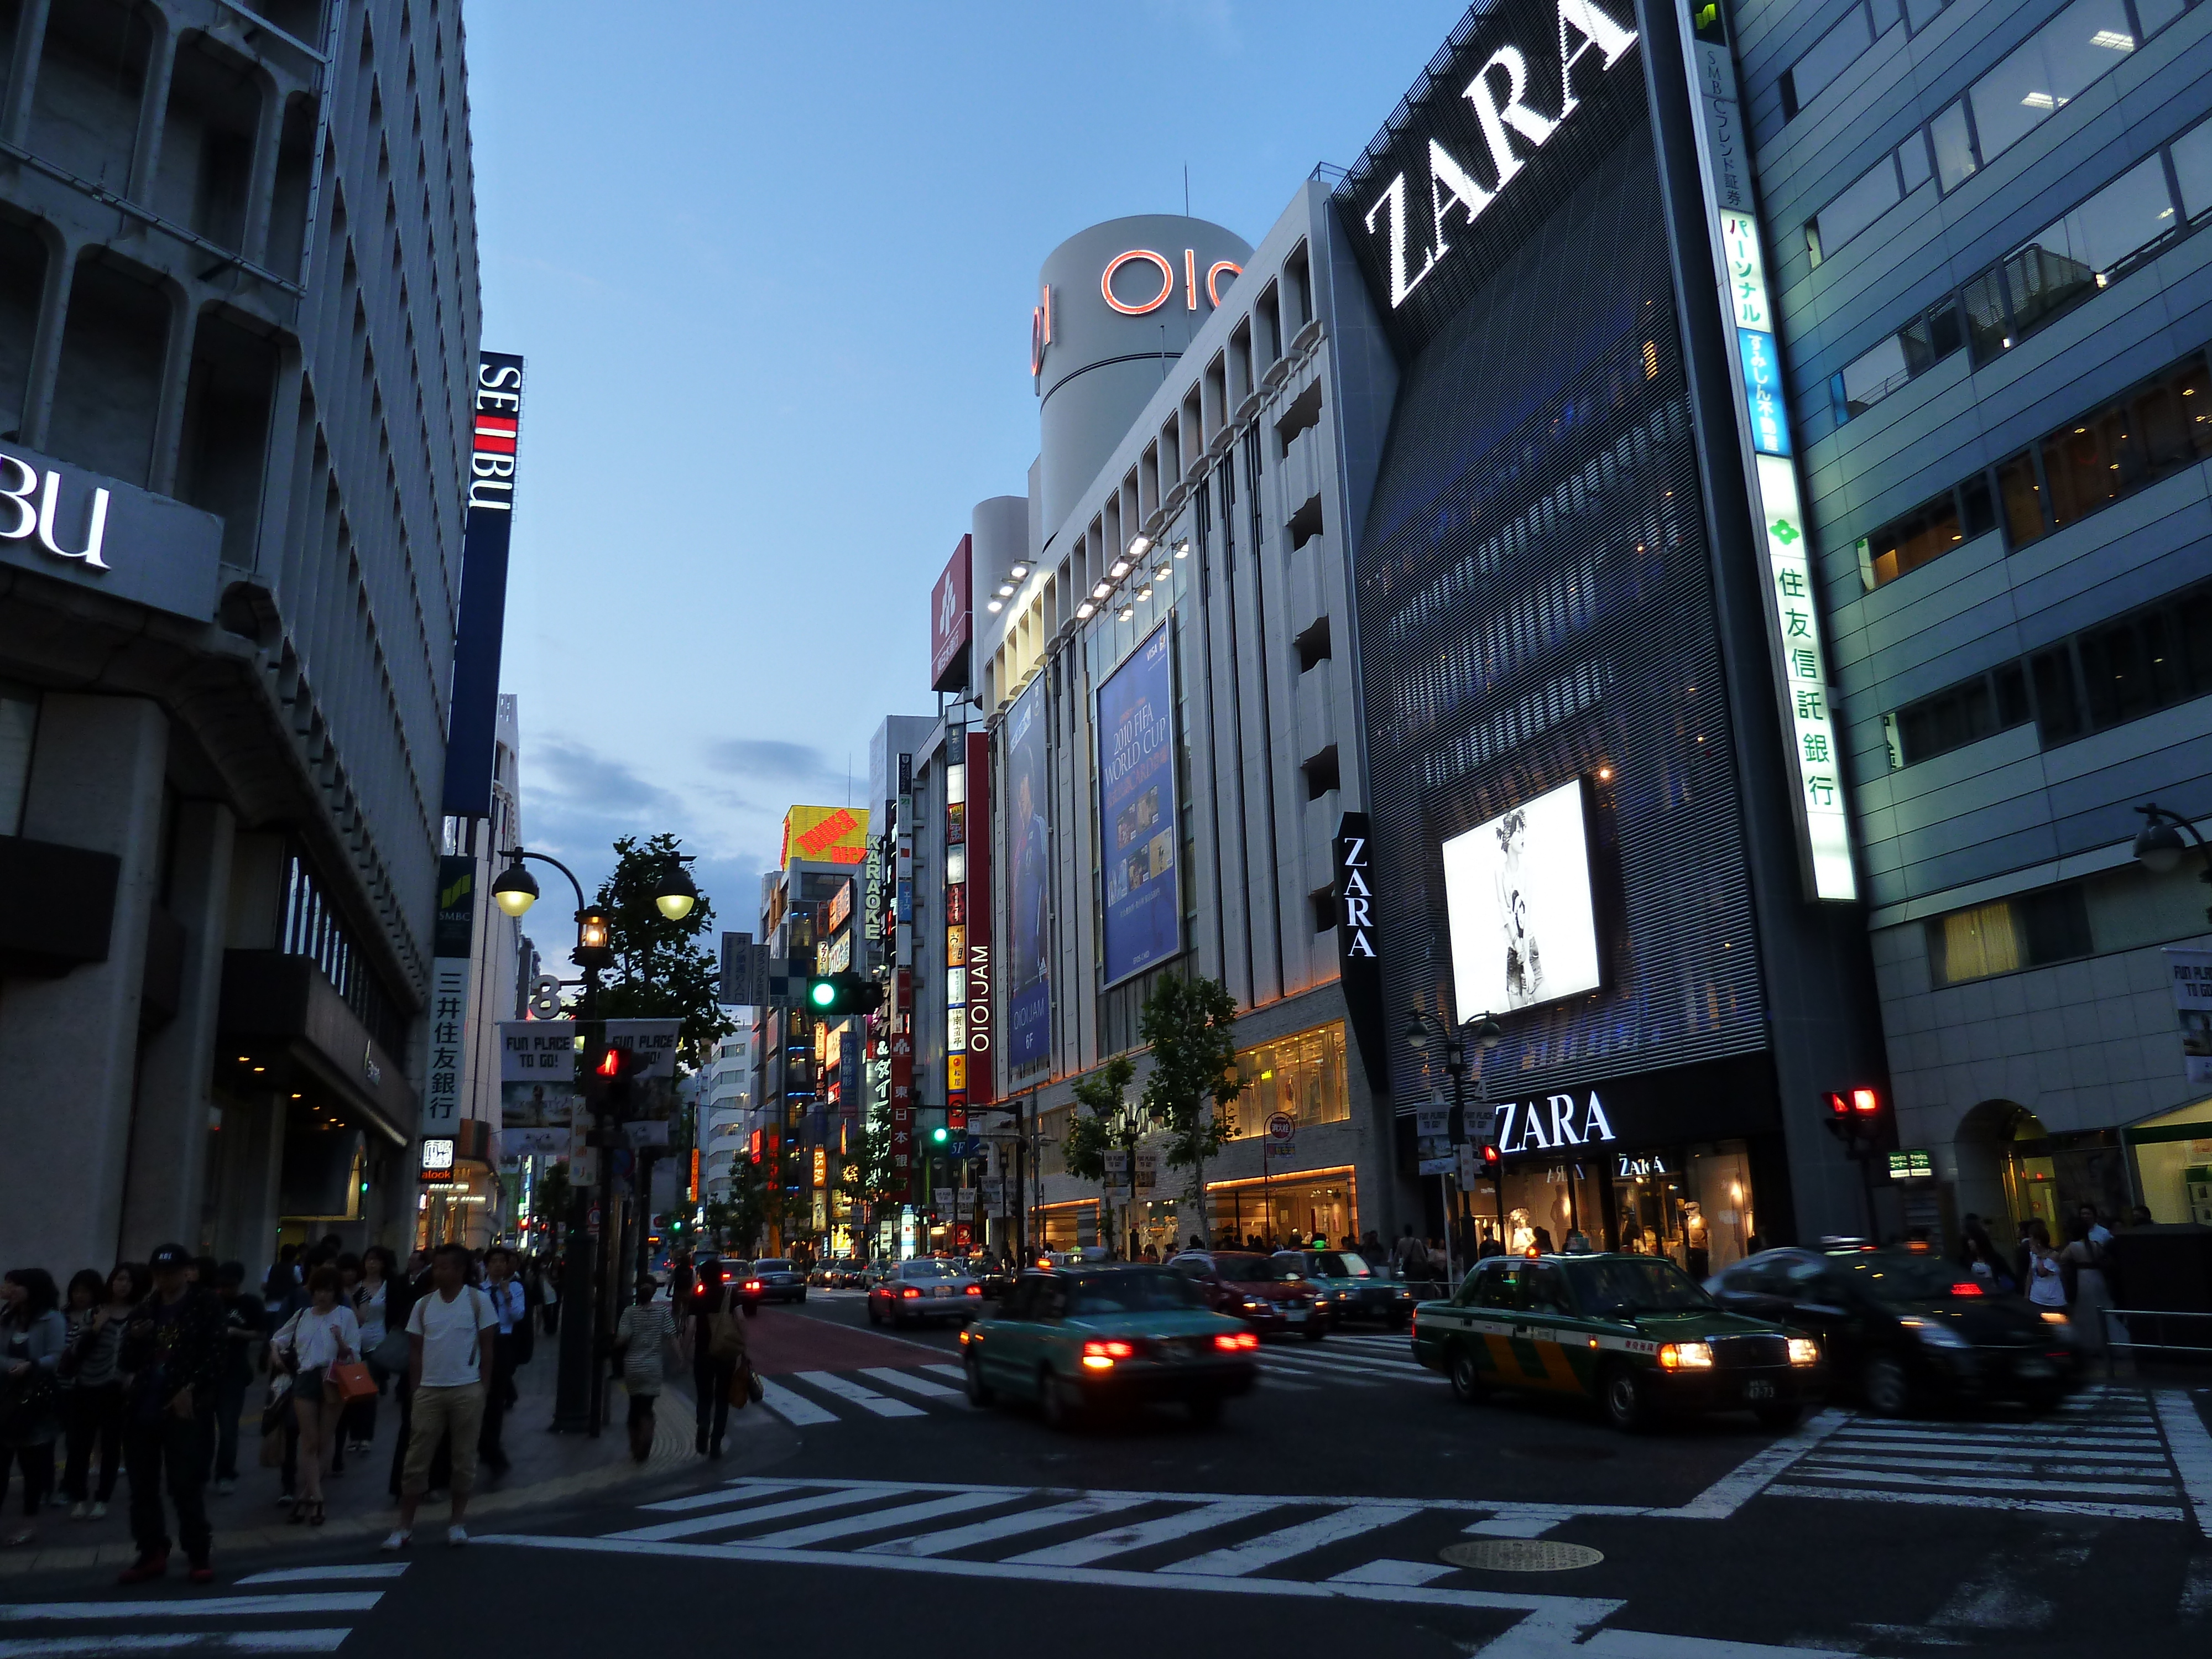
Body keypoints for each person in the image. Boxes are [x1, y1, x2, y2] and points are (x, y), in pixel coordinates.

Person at [116, 1245, 223, 1584]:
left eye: (171, 1272)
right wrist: (134, 1340)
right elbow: (127, 1361)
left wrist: (191, 1387)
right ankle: (151, 1551)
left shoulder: (205, 1303)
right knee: (142, 1486)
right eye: (159, 1273)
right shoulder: (146, 1308)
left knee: (185, 1483)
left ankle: (197, 1553)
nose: (164, 1278)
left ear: (186, 1271)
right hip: (144, 1407)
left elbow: (217, 1353)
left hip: (186, 1408)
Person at [384, 1243, 496, 1551]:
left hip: (466, 1387)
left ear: (461, 1270)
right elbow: (416, 1350)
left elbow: (488, 1347)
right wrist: (416, 1388)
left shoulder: (478, 1302)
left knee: (463, 1459)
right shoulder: (423, 1306)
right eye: (437, 1266)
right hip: (430, 1390)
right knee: (416, 1460)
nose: (440, 1271)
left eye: (446, 1266)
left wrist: (482, 1387)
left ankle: (457, 1522)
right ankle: (404, 1525)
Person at [269, 1266, 358, 1527]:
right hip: (306, 1377)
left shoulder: (346, 1316)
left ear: (336, 1292)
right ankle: (316, 1497)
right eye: (318, 1290)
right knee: (309, 1441)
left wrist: (341, 1342)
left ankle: (305, 1496)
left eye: (328, 1290)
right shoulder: (303, 1315)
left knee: (324, 1438)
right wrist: (276, 1354)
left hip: (334, 1377)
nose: (322, 1296)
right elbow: (279, 1338)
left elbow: (354, 1355)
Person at [1, 1268, 66, 1547]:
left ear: (33, 1289)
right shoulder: (7, 1317)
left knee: (32, 1466)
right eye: (8, 1284)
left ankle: (29, 1523)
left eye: (16, 1285)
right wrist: (9, 1367)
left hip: (35, 1401)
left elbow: (57, 1355)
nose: (9, 1289)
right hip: (4, 1399)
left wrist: (33, 1366)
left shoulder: (51, 1319)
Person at [60, 1267, 131, 1519]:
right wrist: (95, 1328)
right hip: (87, 1386)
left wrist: (130, 1375)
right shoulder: (96, 1313)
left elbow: (141, 1353)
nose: (123, 1285)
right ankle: (79, 1498)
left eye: (128, 1280)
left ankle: (103, 1498)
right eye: (119, 1279)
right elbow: (77, 1350)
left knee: (111, 1445)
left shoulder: (138, 1316)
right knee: (81, 1445)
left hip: (116, 1390)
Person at [210, 1263, 262, 1495]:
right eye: (220, 1286)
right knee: (202, 1427)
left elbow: (260, 1333)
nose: (223, 1290)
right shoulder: (211, 1301)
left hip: (234, 1372)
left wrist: (235, 1333)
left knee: (229, 1427)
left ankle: (225, 1473)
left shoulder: (250, 1303)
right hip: (208, 1371)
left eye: (228, 1286)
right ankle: (201, 1471)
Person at [612, 1276, 674, 1464]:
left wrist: (610, 1348)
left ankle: (634, 1445)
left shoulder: (629, 1312)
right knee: (647, 1407)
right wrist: (681, 1358)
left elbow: (622, 1338)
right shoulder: (662, 1312)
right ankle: (646, 1440)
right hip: (653, 1366)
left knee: (634, 1406)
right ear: (654, 1292)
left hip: (632, 1365)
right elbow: (672, 1336)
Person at [682, 1265, 741, 1459]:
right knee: (723, 1398)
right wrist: (744, 1346)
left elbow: (690, 1327)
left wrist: (684, 1352)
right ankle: (716, 1443)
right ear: (720, 1276)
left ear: (702, 1277)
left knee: (704, 1395)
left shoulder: (697, 1297)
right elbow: (740, 1319)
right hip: (726, 1352)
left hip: (703, 1352)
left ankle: (703, 1423)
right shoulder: (730, 1294)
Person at [477, 1248, 524, 1475]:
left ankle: (492, 1444)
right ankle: (486, 1446)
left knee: (497, 1397)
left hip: (504, 1341)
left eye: (501, 1262)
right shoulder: (478, 1291)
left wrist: (507, 1296)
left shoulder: (515, 1288)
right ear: (486, 1266)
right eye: (493, 1261)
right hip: (480, 1342)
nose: (497, 1266)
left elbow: (518, 1315)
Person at [345, 1248, 393, 1457]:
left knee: (368, 1390)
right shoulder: (356, 1287)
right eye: (369, 1260)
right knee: (354, 1390)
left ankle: (365, 1437)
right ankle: (355, 1435)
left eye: (376, 1260)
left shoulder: (389, 1287)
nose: (371, 1264)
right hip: (353, 1344)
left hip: (377, 1342)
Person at [2062, 1217, 2114, 1357]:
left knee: (2084, 1310)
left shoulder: (2073, 1246)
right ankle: (2107, 1342)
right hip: (2097, 1277)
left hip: (2083, 1278)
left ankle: (2089, 1343)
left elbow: (2062, 1259)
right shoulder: (2095, 1245)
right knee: (2102, 1308)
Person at [2025, 1231, 2068, 1312]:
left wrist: (2039, 1257)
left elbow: (2042, 1273)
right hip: (2036, 1297)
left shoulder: (2054, 1255)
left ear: (2038, 1240)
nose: (2029, 1240)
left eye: (2031, 1237)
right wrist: (2027, 1294)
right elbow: (2030, 1274)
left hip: (2053, 1298)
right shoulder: (2032, 1255)